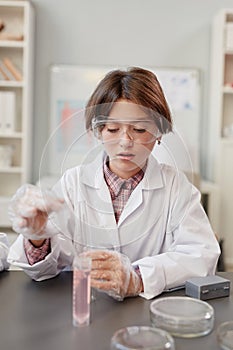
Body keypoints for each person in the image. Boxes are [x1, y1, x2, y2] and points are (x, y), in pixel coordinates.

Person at [8, 67, 220, 300]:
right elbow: (43, 270)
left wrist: (138, 278)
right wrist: (37, 238)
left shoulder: (177, 188)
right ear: (98, 130)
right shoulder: (73, 182)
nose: (125, 141)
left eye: (139, 129)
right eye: (112, 129)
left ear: (159, 133)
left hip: (147, 316)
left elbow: (202, 256)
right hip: (83, 308)